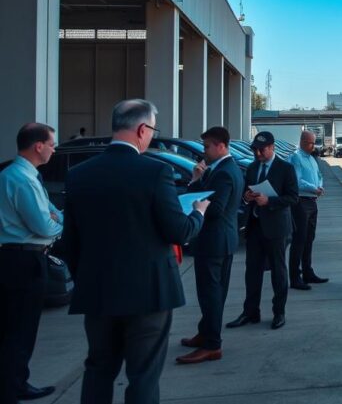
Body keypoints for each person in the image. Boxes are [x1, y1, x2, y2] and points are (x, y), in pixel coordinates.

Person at [62, 99, 208, 404]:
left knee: (98, 369)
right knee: (143, 375)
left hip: (98, 292)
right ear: (142, 129)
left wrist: (87, 278)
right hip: (148, 294)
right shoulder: (155, 172)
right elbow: (178, 231)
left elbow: (70, 243)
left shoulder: (79, 174)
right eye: (153, 130)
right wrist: (198, 213)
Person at [0, 123, 62, 403]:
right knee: (20, 328)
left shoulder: (21, 175)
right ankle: (12, 388)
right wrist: (58, 225)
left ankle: (16, 382)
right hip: (23, 259)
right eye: (51, 144)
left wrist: (55, 219)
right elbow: (44, 224)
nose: (53, 150)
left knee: (16, 327)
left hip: (17, 257)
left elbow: (53, 214)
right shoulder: (22, 179)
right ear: (38, 146)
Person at [176, 126, 243, 365]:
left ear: (221, 146)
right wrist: (196, 181)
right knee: (213, 293)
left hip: (214, 241)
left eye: (206, 147)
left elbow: (215, 209)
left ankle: (212, 345)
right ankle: (205, 333)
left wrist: (196, 207)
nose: (203, 152)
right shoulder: (223, 168)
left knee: (211, 294)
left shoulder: (224, 172)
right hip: (220, 240)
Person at [226, 132, 297, 331]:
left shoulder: (285, 168)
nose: (258, 153)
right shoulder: (252, 167)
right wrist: (246, 197)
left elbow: (293, 197)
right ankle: (250, 312)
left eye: (262, 150)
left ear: (272, 147)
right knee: (252, 271)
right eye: (255, 150)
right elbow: (245, 193)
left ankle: (279, 312)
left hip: (276, 228)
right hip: (255, 226)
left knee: (278, 272)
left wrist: (270, 201)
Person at [287, 130, 328, 291]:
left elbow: (319, 175)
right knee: (299, 239)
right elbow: (296, 181)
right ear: (303, 142)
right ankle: (295, 277)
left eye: (314, 142)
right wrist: (313, 188)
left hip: (312, 201)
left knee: (309, 238)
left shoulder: (311, 159)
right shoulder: (296, 158)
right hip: (301, 202)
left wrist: (320, 186)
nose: (313, 146)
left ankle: (307, 272)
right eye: (311, 143)